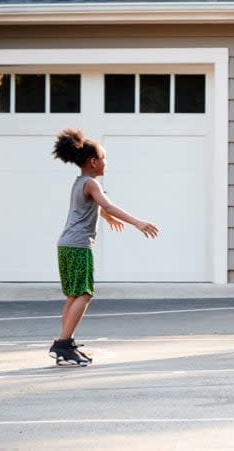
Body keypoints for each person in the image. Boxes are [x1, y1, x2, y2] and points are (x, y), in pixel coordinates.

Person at [50, 129, 159, 366]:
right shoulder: (91, 184)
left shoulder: (80, 182)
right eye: (104, 158)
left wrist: (108, 219)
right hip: (78, 246)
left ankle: (64, 342)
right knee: (84, 293)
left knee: (73, 295)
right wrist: (138, 223)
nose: (106, 162)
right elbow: (108, 206)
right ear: (94, 162)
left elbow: (93, 208)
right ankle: (63, 343)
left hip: (66, 244)